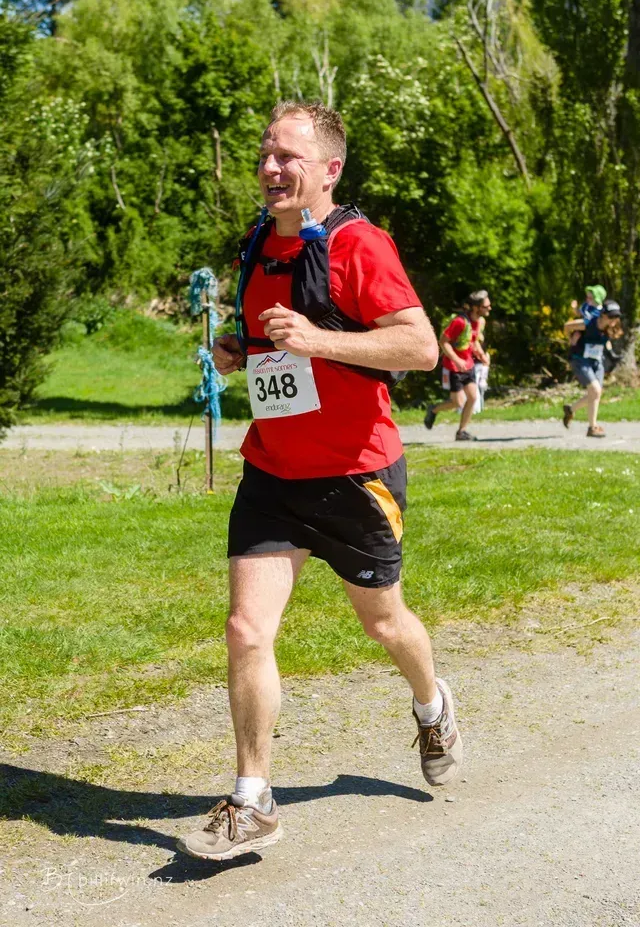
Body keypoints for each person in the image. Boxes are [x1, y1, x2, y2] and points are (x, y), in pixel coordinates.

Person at [177, 101, 463, 862]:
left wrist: (318, 340)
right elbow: (280, 340)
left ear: (329, 168)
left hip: (355, 475)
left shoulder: (360, 245)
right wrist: (243, 348)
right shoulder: (253, 245)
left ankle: (432, 706)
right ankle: (252, 798)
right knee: (245, 629)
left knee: (383, 623)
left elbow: (421, 347)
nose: (271, 168)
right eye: (266, 154)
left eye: (288, 157)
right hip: (273, 469)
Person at [423, 291, 492, 441]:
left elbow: (472, 342)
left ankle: (461, 432)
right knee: (457, 402)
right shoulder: (460, 322)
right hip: (453, 367)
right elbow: (443, 341)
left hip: (468, 365)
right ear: (476, 307)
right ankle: (433, 409)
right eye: (486, 306)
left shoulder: (477, 322)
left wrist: (481, 355)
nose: (490, 308)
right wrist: (457, 360)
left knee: (473, 398)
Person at [562, 299, 623, 438]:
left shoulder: (611, 327)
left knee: (595, 394)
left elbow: (605, 341)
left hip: (596, 361)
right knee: (595, 390)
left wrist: (613, 356)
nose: (615, 319)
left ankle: (570, 410)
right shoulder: (589, 323)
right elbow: (567, 326)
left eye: (616, 316)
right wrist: (571, 339)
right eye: (611, 316)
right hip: (580, 359)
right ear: (603, 315)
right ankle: (592, 428)